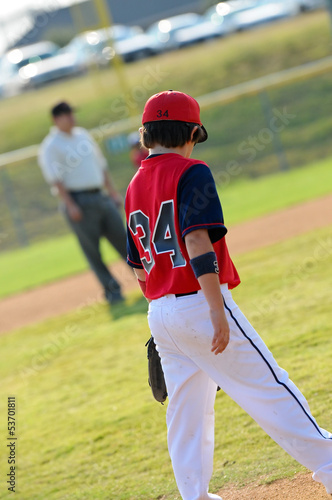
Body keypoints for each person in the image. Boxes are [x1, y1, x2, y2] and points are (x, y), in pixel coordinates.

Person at [125, 90, 332, 500]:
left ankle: (195, 496)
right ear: (190, 132)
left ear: (147, 135)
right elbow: (197, 240)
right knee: (270, 387)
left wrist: (164, 310)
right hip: (200, 302)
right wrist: (215, 311)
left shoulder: (134, 184)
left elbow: (138, 266)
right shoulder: (191, 171)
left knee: (186, 415)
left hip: (161, 312)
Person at [38, 101, 127, 305]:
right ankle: (113, 292)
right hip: (78, 200)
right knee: (93, 251)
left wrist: (112, 192)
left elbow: (101, 166)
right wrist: (70, 205)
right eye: (66, 114)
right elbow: (55, 179)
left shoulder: (83, 135)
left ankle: (148, 281)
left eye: (71, 113)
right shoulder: (51, 145)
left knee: (123, 240)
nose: (71, 117)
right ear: (55, 119)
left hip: (100, 195)